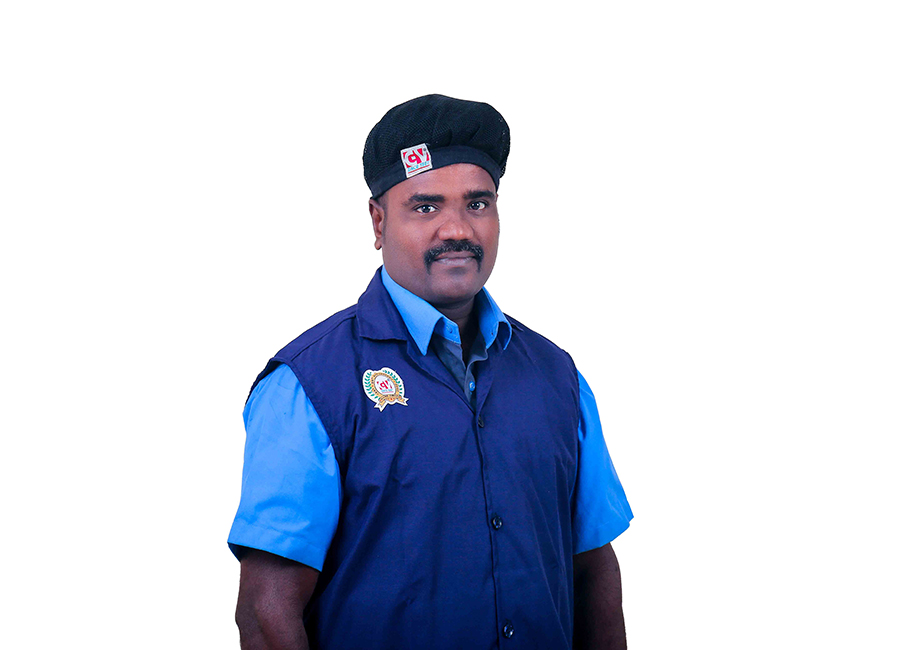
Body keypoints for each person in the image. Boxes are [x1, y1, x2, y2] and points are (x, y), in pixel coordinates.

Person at [228, 94, 634, 650]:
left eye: (477, 203)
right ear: (378, 221)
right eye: (425, 207)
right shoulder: (309, 385)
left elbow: (593, 571)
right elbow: (267, 612)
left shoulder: (557, 378)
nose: (456, 229)